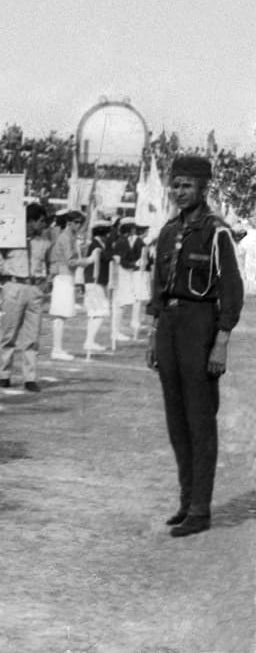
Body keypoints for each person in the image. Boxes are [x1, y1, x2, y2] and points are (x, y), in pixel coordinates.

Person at [146, 155, 242, 538]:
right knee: (176, 421)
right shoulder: (168, 231)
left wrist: (221, 342)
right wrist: (154, 334)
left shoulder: (216, 233)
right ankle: (186, 500)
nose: (179, 191)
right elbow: (157, 286)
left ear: (204, 189)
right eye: (176, 184)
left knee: (200, 420)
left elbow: (232, 291)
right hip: (169, 325)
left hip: (200, 325)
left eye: (187, 185)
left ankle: (201, 509)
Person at [0, 203, 52, 392]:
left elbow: (52, 264)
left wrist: (47, 281)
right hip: (14, 286)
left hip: (34, 288)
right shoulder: (10, 238)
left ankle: (30, 377)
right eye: (41, 221)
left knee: (32, 335)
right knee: (9, 333)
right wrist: (4, 278)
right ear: (31, 221)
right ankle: (5, 374)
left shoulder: (44, 242)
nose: (44, 225)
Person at [47, 210, 85, 360]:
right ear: (69, 222)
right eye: (77, 222)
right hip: (63, 276)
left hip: (66, 276)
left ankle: (58, 348)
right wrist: (88, 261)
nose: (80, 225)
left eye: (80, 223)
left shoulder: (70, 237)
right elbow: (71, 261)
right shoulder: (65, 237)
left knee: (61, 315)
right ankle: (56, 349)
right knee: (60, 314)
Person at [82, 221, 113, 353]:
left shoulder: (99, 244)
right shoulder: (95, 245)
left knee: (95, 313)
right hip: (94, 281)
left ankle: (90, 340)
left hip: (96, 282)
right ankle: (89, 341)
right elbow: (106, 257)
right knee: (100, 312)